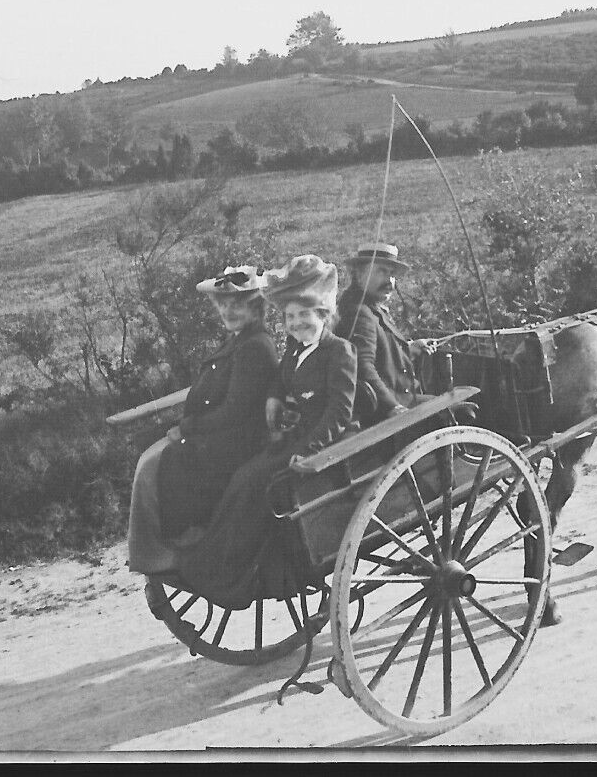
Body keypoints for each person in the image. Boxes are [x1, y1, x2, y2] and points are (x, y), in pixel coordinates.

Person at [173, 255, 358, 609]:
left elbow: (339, 413)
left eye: (304, 315)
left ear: (322, 314)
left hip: (326, 442)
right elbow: (280, 376)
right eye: (289, 317)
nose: (296, 323)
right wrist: (274, 396)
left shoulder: (339, 352)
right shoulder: (295, 350)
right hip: (294, 437)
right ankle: (218, 560)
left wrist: (307, 451)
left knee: (258, 482)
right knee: (244, 476)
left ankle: (237, 569)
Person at [127, 265, 278, 575]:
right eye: (222, 304)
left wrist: (188, 428)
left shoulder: (256, 347)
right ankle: (158, 549)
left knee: (160, 462)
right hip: (223, 435)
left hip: (239, 443)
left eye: (237, 305)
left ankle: (180, 544)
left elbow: (235, 411)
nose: (228, 311)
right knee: (149, 456)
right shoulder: (238, 341)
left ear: (256, 307)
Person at [336, 241, 433, 424]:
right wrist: (392, 407)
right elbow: (363, 366)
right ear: (359, 274)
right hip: (383, 411)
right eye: (381, 271)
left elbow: (380, 351)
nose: (389, 281)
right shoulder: (360, 312)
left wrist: (409, 349)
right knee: (458, 407)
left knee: (450, 403)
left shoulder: (371, 306)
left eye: (392, 274)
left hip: (398, 398)